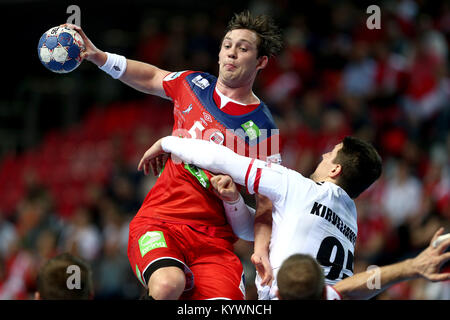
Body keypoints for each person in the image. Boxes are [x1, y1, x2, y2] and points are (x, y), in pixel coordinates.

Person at [64, 10, 283, 300]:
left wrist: (260, 253)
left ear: (261, 61)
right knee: (168, 284)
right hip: (161, 222)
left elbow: (268, 203)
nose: (231, 53)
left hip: (214, 243)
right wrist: (99, 56)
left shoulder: (263, 130)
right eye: (227, 45)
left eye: (243, 49)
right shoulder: (194, 84)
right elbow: (153, 76)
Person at [137, 134, 383, 299]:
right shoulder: (350, 217)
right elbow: (255, 231)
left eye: (330, 154)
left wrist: (167, 142)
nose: (323, 156)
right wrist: (234, 201)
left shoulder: (299, 188)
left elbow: (219, 159)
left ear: (335, 169)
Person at [276, 228, 450, 300]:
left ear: (278, 294)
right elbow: (348, 286)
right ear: (323, 291)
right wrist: (413, 266)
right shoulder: (327, 294)